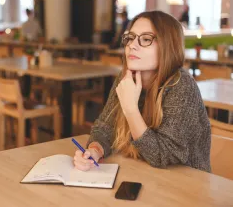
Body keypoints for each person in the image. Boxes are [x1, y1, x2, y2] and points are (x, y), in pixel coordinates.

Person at [73, 11, 211, 173]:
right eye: (130, 38)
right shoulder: (125, 79)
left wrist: (130, 109)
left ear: (168, 46)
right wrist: (94, 151)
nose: (132, 45)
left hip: (186, 186)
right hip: (145, 174)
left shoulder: (182, 85)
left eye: (146, 39)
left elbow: (163, 156)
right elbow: (104, 128)